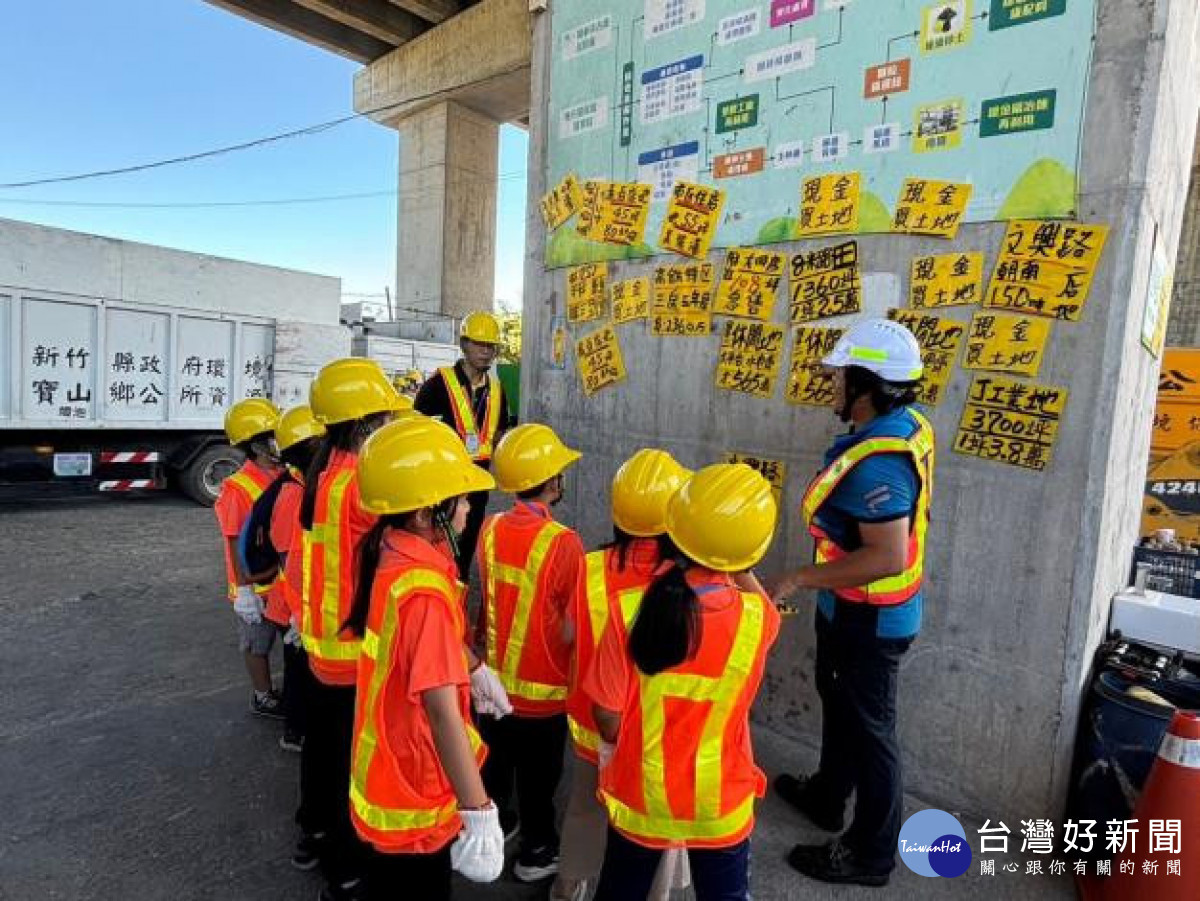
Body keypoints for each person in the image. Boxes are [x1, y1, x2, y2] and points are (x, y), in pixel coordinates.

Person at [771, 318, 935, 888]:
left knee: (871, 733)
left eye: (840, 374)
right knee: (837, 701)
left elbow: (886, 557)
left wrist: (798, 577)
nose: (831, 383)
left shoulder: (880, 461)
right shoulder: (903, 424)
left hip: (871, 616)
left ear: (867, 384)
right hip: (849, 607)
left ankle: (869, 854)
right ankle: (827, 795)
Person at [586, 463, 781, 901]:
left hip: (643, 798)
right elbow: (751, 589)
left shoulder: (628, 609)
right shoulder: (759, 619)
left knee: (619, 892)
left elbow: (606, 714)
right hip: (719, 805)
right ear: (750, 554)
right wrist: (737, 559)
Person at [341, 416, 505, 900]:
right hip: (413, 788)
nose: (468, 506)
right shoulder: (425, 593)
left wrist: (471, 667)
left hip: (384, 770)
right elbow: (438, 711)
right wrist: (478, 809)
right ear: (423, 513)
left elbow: (414, 648)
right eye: (459, 496)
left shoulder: (391, 556)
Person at [552, 448, 691, 901]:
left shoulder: (591, 566)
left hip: (591, 722)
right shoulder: (682, 584)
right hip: (652, 734)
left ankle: (568, 885)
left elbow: (569, 634)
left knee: (584, 806)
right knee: (653, 827)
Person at [297, 358, 409, 900]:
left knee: (320, 752)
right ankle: (344, 869)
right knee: (352, 766)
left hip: (320, 642)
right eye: (385, 416)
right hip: (350, 649)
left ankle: (313, 836)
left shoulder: (320, 472)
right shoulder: (360, 485)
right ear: (365, 422)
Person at [475, 423, 584, 883]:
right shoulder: (564, 542)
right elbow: (572, 625)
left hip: (493, 685)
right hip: (544, 696)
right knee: (540, 783)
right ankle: (537, 852)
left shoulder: (490, 527)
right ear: (552, 481)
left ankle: (499, 829)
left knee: (497, 769)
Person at [414, 311, 514, 579]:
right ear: (464, 345)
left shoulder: (497, 390)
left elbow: (500, 432)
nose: (486, 352)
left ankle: (456, 609)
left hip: (477, 489)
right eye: (480, 344)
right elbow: (418, 436)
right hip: (443, 488)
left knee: (464, 556)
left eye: (491, 346)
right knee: (438, 554)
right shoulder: (436, 386)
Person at [214, 397, 284, 718]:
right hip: (253, 586)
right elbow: (233, 540)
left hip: (279, 581)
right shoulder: (238, 488)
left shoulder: (281, 473)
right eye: (273, 435)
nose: (278, 441)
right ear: (256, 445)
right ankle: (262, 696)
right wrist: (244, 591)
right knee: (257, 644)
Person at [269, 404, 326, 753]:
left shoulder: (303, 487)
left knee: (300, 670)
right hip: (292, 606)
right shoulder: (293, 495)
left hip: (296, 604)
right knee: (298, 672)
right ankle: (294, 732)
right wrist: (299, 611)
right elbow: (288, 556)